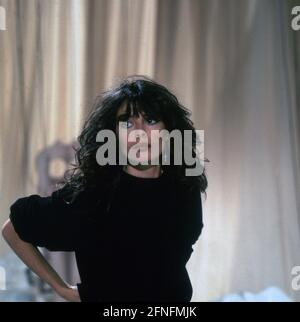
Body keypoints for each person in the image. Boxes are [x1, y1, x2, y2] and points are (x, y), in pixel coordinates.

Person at [2, 75, 208, 302]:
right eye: (128, 123)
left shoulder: (184, 186)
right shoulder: (91, 198)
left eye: (150, 120)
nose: (139, 133)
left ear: (169, 130)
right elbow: (12, 229)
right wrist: (62, 289)